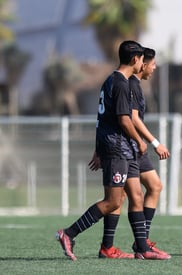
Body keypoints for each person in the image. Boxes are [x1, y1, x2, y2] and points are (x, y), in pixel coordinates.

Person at [56, 40, 167, 261]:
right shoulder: (121, 83)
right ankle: (69, 233)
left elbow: (101, 119)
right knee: (114, 201)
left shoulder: (112, 80)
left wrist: (98, 150)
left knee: (135, 195)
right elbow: (125, 121)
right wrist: (142, 141)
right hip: (118, 147)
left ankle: (142, 247)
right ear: (136, 60)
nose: (146, 65)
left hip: (118, 147)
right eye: (143, 60)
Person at [89, 47, 171, 259]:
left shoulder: (128, 82)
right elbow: (131, 118)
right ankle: (133, 244)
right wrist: (153, 142)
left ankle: (139, 242)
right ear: (141, 62)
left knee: (148, 188)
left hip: (128, 145)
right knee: (121, 197)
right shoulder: (128, 83)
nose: (153, 68)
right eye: (152, 63)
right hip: (127, 146)